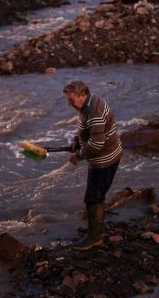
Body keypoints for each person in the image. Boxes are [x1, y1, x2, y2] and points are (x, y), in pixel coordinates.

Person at [63, 80, 123, 251]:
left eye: (72, 99)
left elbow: (97, 144)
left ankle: (95, 237)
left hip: (105, 159)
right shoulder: (88, 104)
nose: (69, 103)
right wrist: (77, 141)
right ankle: (96, 230)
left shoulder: (94, 111)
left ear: (83, 95)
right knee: (96, 194)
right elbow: (87, 130)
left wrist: (78, 155)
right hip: (104, 156)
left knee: (93, 197)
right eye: (68, 99)